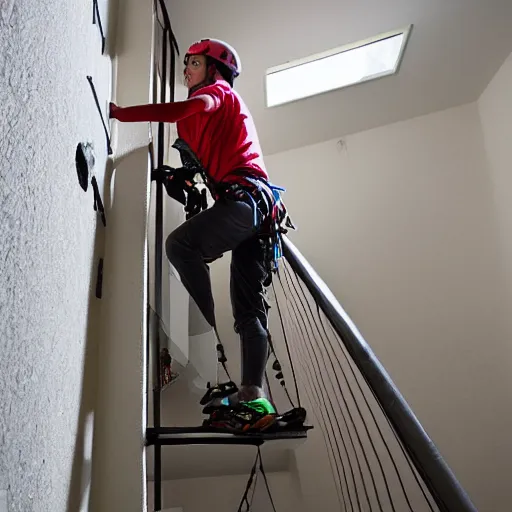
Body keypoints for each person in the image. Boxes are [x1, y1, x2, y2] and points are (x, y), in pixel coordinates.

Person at [109, 39, 286, 432]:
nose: (186, 70)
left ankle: (205, 346)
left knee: (180, 245)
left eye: (193, 63)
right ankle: (254, 400)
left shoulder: (218, 93)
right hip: (256, 210)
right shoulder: (216, 117)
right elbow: (205, 150)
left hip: (245, 201)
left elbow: (190, 107)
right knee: (248, 313)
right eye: (185, 64)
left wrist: (123, 114)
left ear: (214, 69)